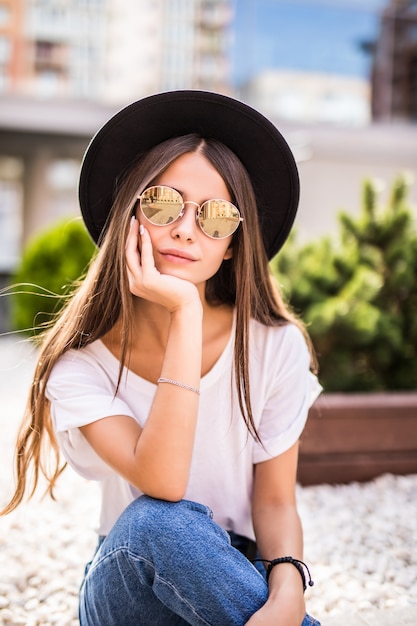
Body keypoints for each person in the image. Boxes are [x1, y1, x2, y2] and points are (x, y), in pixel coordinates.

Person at [2, 90, 322, 625]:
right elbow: (165, 481)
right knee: (158, 522)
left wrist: (289, 591)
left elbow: (274, 502)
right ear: (129, 214)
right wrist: (185, 313)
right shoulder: (79, 365)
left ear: (232, 244)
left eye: (216, 217)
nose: (184, 229)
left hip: (235, 571)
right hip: (128, 579)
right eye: (163, 204)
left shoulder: (273, 346)